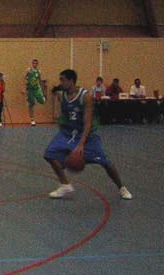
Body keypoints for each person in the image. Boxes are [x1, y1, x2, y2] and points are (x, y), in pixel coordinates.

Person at [43, 69, 132, 200]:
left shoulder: (85, 97)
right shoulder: (63, 95)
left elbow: (88, 123)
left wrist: (81, 144)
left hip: (86, 135)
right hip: (67, 133)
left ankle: (121, 187)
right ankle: (65, 185)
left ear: (71, 81)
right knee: (49, 154)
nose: (60, 82)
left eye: (62, 80)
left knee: (105, 162)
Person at [22, 59, 46, 126]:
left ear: (37, 64)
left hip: (36, 88)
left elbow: (40, 80)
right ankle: (32, 119)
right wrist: (23, 88)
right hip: (29, 89)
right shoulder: (29, 70)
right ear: (32, 64)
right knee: (31, 105)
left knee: (42, 101)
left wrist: (43, 89)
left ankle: (41, 97)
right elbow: (24, 79)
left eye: (36, 63)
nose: (34, 64)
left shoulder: (38, 72)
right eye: (33, 63)